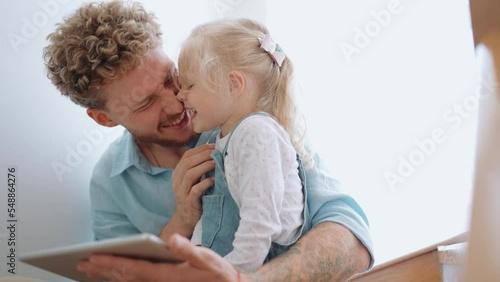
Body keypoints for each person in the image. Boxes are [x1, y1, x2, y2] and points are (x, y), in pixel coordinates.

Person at [43, 1, 374, 281]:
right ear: (105, 118)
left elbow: (353, 244)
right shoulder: (111, 184)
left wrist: (247, 280)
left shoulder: (248, 121)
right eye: (145, 103)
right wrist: (182, 222)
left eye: (171, 79)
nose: (176, 104)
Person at [176, 18, 307, 272]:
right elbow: (214, 213)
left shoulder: (257, 133)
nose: (180, 95)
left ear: (233, 84)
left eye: (189, 85)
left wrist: (234, 272)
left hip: (261, 265)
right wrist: (198, 255)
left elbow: (260, 223)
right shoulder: (221, 139)